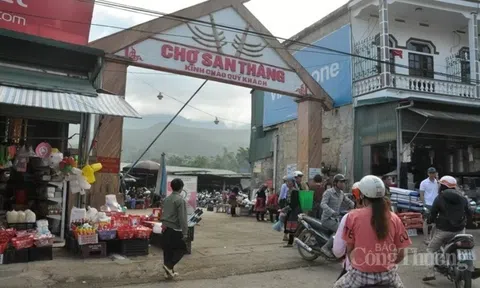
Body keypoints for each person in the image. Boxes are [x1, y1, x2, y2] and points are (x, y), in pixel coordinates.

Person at [334, 175, 412, 288]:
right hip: (388, 276)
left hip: (360, 276)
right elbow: (401, 254)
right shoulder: (394, 218)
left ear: (362, 196)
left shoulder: (352, 217)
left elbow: (350, 251)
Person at [422, 175, 472, 282]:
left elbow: (433, 214)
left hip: (444, 231)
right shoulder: (463, 197)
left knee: (430, 249)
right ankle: (467, 265)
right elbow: (469, 212)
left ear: (443, 186)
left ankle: (430, 273)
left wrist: (430, 220)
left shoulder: (440, 197)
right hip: (460, 231)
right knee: (466, 244)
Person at [320, 174, 355, 258]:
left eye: (344, 182)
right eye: (341, 182)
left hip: (336, 219)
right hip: (327, 219)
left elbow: (349, 202)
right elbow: (323, 204)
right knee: (341, 230)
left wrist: (358, 207)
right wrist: (332, 212)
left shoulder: (341, 193)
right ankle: (325, 247)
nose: (343, 184)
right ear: (335, 183)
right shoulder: (329, 192)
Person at [160, 178, 188, 279]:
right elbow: (182, 218)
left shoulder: (166, 199)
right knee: (182, 249)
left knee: (168, 251)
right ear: (181, 188)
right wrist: (185, 232)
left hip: (165, 227)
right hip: (174, 229)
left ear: (171, 187)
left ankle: (169, 273)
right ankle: (169, 266)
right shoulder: (180, 200)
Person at [333, 182, 362, 280]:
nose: (342, 184)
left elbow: (338, 251)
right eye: (341, 182)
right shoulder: (392, 218)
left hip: (356, 270)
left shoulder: (350, 218)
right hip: (385, 272)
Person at [420, 167, 439, 244]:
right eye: (430, 173)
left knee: (435, 222)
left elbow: (440, 190)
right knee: (426, 221)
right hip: (427, 204)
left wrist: (438, 180)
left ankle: (431, 237)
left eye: (433, 173)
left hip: (436, 204)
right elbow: (421, 194)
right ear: (428, 173)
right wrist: (424, 204)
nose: (432, 174)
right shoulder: (424, 182)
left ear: (435, 173)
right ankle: (426, 238)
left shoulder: (437, 182)